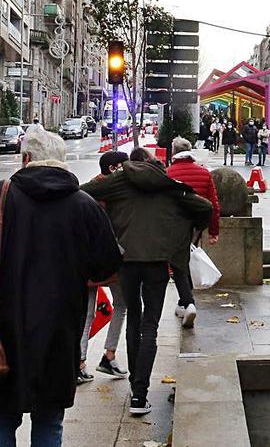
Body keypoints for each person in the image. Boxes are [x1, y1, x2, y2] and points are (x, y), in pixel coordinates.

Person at [0, 126, 122, 446]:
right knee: (49, 423)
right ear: (62, 161)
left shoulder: (0, 196)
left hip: (2, 331)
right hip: (60, 333)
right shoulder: (83, 205)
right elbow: (107, 265)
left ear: (26, 158)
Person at [81, 146, 212, 416]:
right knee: (150, 325)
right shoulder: (167, 184)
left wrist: (109, 231)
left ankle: (134, 385)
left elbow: (83, 194)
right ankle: (139, 396)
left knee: (134, 320)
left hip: (127, 262)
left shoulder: (119, 181)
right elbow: (204, 207)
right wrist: (182, 238)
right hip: (157, 263)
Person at [77, 151, 131, 384]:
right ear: (113, 168)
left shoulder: (83, 191)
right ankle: (109, 355)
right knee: (121, 305)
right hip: (111, 260)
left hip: (85, 261)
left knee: (86, 313)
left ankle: (79, 362)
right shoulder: (113, 192)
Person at [165, 136, 221, 329]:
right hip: (197, 226)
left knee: (179, 265)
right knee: (186, 260)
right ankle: (184, 302)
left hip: (175, 226)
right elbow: (213, 205)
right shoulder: (204, 173)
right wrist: (213, 231)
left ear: (174, 153)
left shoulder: (167, 173)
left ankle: (187, 302)